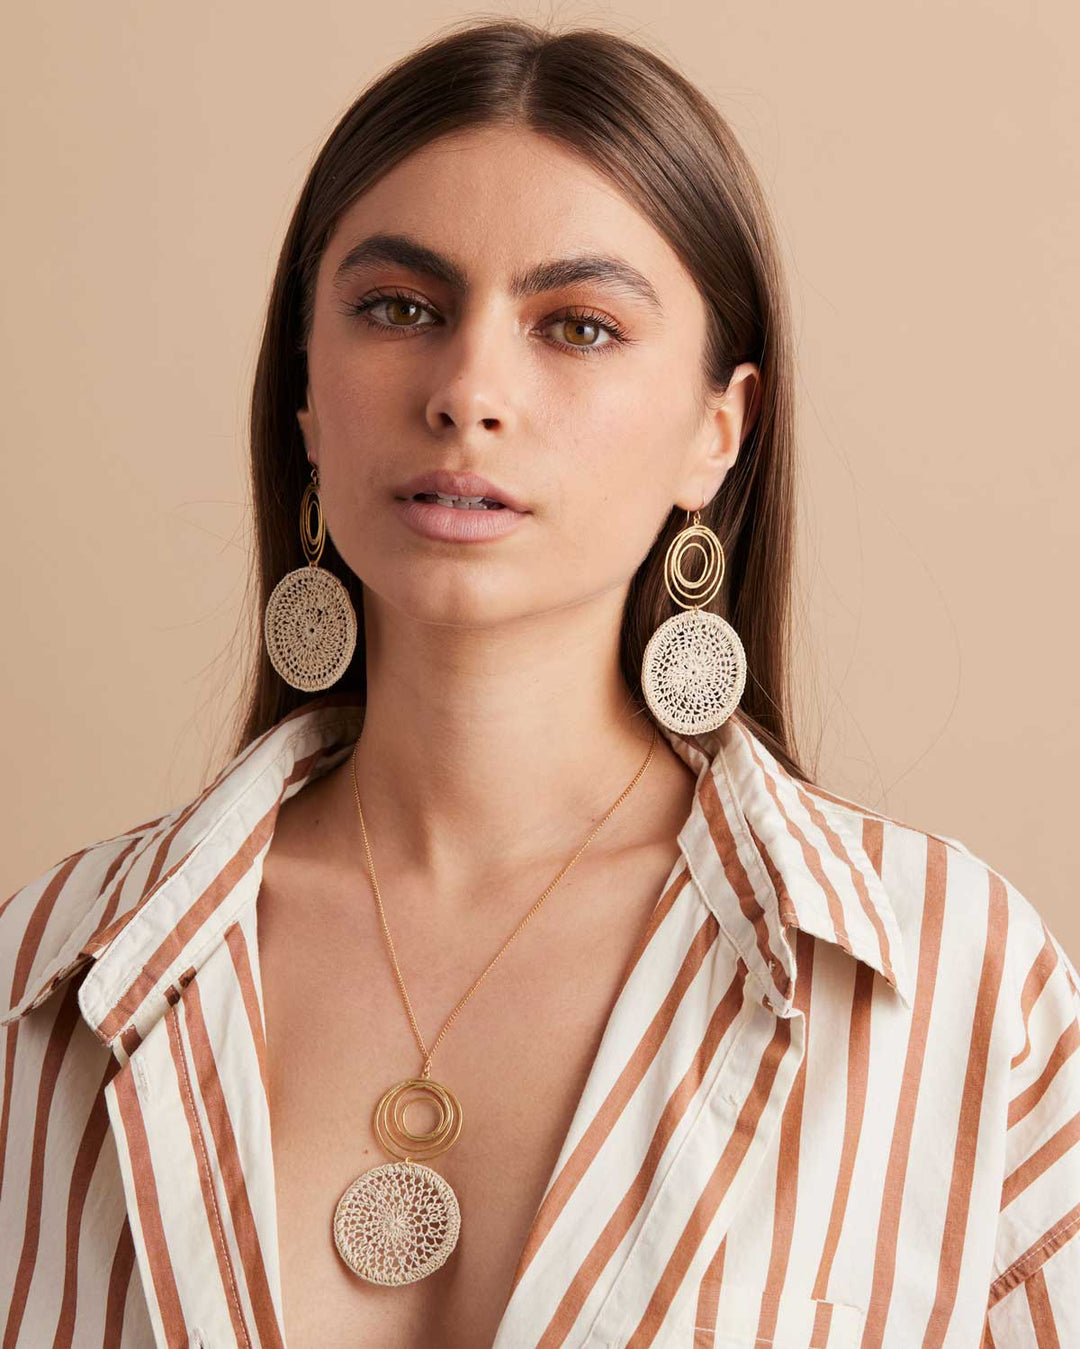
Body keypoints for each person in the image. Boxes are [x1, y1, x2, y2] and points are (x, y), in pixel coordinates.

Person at [2, 17, 1077, 1349]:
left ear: (718, 429)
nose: (468, 390)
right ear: (305, 396)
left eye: (576, 325)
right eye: (402, 308)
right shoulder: (41, 983)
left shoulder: (955, 988)